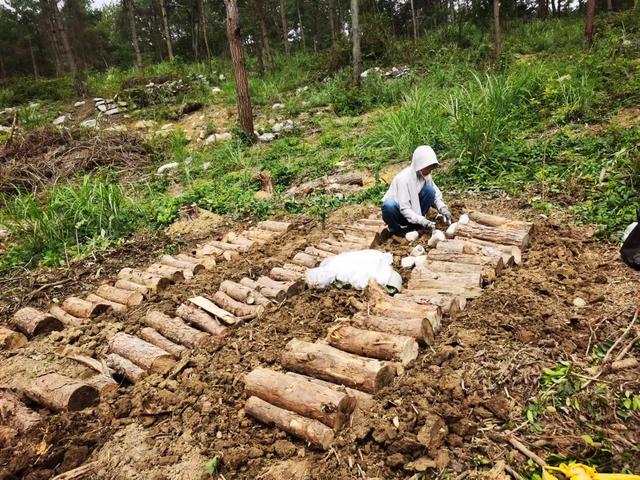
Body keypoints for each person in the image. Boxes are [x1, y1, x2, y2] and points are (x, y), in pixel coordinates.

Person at [381, 145, 453, 236]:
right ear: (420, 165)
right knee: (389, 205)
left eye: (431, 168)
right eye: (428, 167)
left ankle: (415, 225)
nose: (430, 171)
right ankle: (395, 230)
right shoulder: (403, 179)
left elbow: (435, 196)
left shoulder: (425, 175)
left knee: (430, 191)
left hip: (414, 214)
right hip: (399, 214)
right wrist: (421, 220)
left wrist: (443, 208)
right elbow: (404, 208)